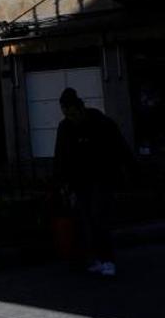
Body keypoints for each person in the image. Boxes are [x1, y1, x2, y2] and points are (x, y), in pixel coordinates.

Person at [53, 87, 134, 276]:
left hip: (101, 177)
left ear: (80, 109)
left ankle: (107, 259)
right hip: (81, 180)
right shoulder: (65, 127)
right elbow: (61, 156)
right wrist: (61, 181)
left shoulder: (100, 122)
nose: (71, 118)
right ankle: (99, 258)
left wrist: (127, 170)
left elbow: (119, 147)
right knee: (87, 220)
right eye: (67, 114)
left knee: (98, 217)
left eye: (72, 114)